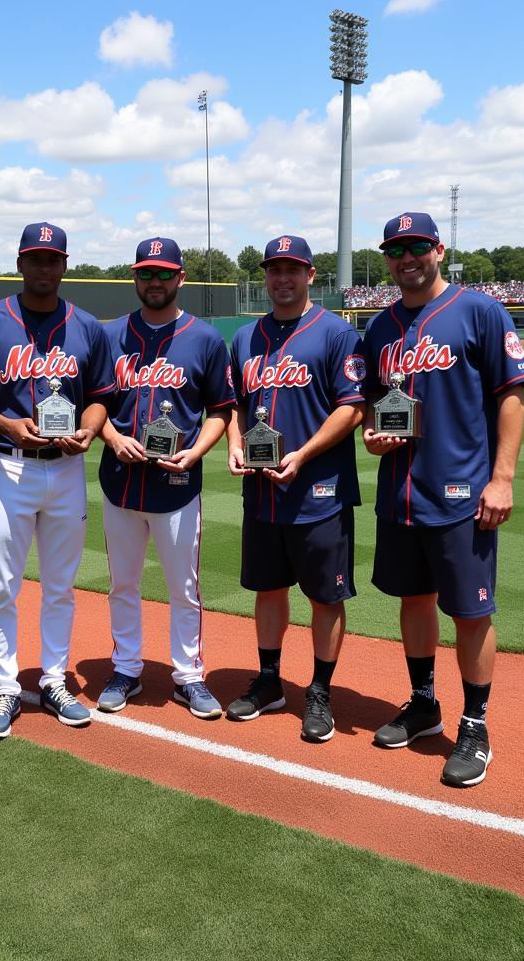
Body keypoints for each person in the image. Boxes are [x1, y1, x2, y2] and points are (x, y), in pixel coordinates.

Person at [362, 211, 524, 787]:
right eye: (395, 250)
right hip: (402, 493)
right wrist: (372, 436)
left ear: (437, 249)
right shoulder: (380, 328)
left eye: (416, 246)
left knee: (470, 611)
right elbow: (369, 407)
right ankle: (424, 703)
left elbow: (512, 397)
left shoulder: (479, 310)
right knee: (413, 600)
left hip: (462, 491)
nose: (406, 258)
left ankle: (475, 722)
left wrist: (502, 477)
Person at [0, 222, 114, 739]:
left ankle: (53, 680)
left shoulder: (87, 326)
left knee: (61, 587)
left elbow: (100, 395)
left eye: (53, 259)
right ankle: (4, 685)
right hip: (11, 464)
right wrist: (2, 422)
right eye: (35, 258)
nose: (44, 267)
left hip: (66, 469)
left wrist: (89, 429)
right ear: (20, 262)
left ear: (65, 265)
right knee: (3, 585)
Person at [226, 236, 365, 742]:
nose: (282, 278)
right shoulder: (245, 337)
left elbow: (352, 408)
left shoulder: (335, 334)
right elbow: (238, 406)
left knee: (325, 597)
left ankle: (321, 690)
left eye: (293, 269)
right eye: (274, 269)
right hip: (262, 490)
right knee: (268, 588)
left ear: (311, 274)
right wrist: (235, 445)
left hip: (319, 491)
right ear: (265, 275)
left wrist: (303, 455)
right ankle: (269, 679)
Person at [95, 237, 234, 718]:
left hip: (177, 488)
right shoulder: (109, 336)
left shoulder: (205, 339)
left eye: (163, 273)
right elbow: (92, 404)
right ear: (135, 277)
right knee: (122, 584)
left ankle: (188, 676)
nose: (154, 282)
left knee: (185, 588)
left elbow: (221, 409)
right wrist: (112, 437)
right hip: (120, 482)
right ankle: (126, 668)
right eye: (146, 273)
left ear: (180, 278)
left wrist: (196, 451)